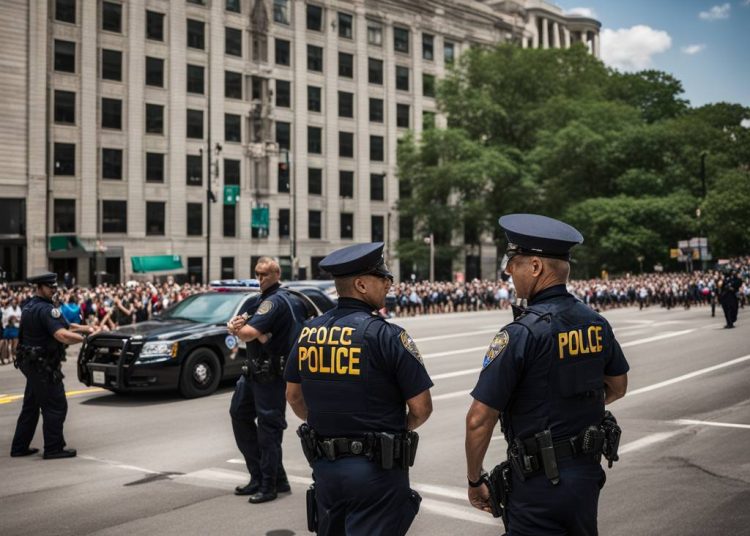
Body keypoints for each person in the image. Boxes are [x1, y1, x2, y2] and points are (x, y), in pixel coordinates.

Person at [465, 214, 630, 536]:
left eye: (514, 264)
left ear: (536, 267)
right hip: (585, 474)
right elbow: (618, 386)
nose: (509, 272)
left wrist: (474, 480)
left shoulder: (522, 333)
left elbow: (478, 420)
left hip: (538, 482)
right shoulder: (595, 322)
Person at [285, 242, 434, 536]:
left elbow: (293, 396)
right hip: (376, 472)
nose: (389, 284)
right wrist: (388, 429)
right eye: (383, 278)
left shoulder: (309, 332)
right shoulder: (386, 335)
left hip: (325, 467)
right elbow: (421, 408)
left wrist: (329, 424)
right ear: (362, 284)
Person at [226, 257, 310, 504]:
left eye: (265, 274)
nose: (260, 279)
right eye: (257, 274)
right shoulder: (258, 300)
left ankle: (269, 484)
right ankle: (262, 476)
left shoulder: (276, 301)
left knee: (268, 431)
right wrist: (241, 328)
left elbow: (248, 332)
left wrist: (241, 331)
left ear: (276, 274)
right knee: (239, 415)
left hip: (270, 375)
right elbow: (245, 326)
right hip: (253, 372)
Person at [10, 272, 97, 459]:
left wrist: (87, 328)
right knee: (56, 405)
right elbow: (61, 334)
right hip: (43, 366)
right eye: (50, 287)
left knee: (31, 405)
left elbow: (66, 325)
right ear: (40, 287)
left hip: (31, 363)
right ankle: (53, 448)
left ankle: (19, 447)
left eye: (55, 288)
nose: (53, 291)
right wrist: (86, 339)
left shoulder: (30, 307)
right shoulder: (48, 310)